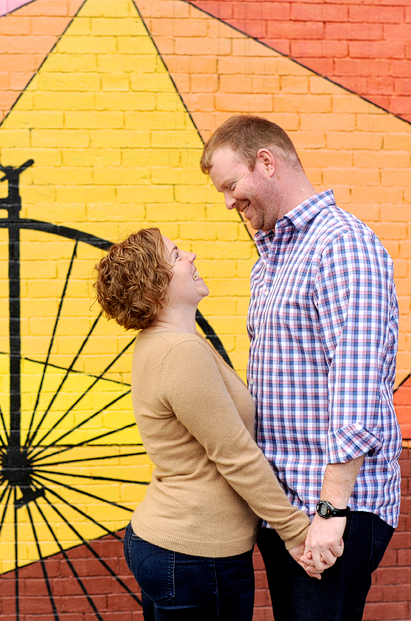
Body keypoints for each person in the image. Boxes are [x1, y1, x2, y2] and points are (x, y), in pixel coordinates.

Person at [200, 115, 402, 621]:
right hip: (289, 511)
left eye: (231, 185)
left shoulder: (341, 245)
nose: (228, 202)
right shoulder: (271, 257)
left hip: (332, 509)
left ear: (266, 163)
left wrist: (330, 514)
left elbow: (356, 386)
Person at [95, 228, 319, 621]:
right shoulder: (179, 352)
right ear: (153, 290)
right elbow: (234, 454)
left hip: (175, 547)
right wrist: (296, 532)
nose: (192, 256)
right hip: (196, 556)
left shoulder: (167, 343)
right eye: (177, 255)